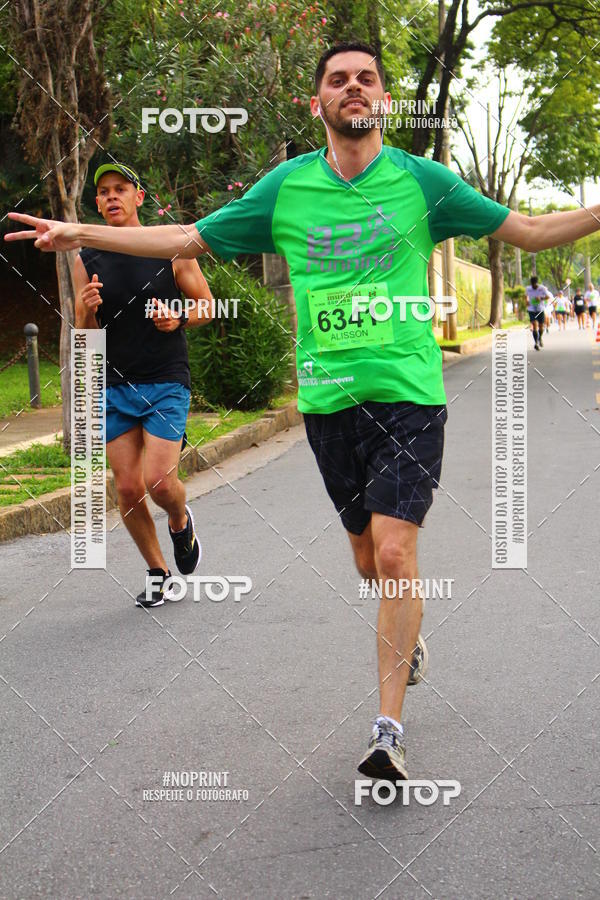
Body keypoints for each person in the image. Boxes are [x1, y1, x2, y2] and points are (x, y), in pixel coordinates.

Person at [9, 41, 600, 782]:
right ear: (317, 102)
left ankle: (388, 731)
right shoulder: (286, 188)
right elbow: (187, 238)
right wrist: (78, 233)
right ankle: (406, 630)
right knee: (364, 557)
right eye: (337, 79)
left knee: (393, 551)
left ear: (383, 99)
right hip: (328, 406)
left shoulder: (425, 183)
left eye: (366, 78)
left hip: (410, 395)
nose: (353, 87)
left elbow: (531, 230)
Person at [74, 163, 213, 607]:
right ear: (97, 204)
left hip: (165, 379)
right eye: (104, 192)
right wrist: (84, 312)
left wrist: (179, 319)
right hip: (114, 385)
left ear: (138, 197)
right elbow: (84, 335)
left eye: (121, 189)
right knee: (129, 488)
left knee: (158, 482)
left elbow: (207, 307)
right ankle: (159, 573)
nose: (112, 196)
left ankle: (178, 520)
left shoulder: (170, 246)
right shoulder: (85, 257)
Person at [525, 276, 552, 350]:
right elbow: (526, 296)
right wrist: (526, 301)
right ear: (531, 283)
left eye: (535, 285)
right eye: (532, 285)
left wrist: (541, 298)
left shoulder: (542, 288)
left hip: (540, 309)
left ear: (537, 283)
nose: (534, 286)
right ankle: (536, 342)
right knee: (534, 325)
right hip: (531, 309)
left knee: (541, 326)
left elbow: (548, 297)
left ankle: (540, 338)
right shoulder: (528, 288)